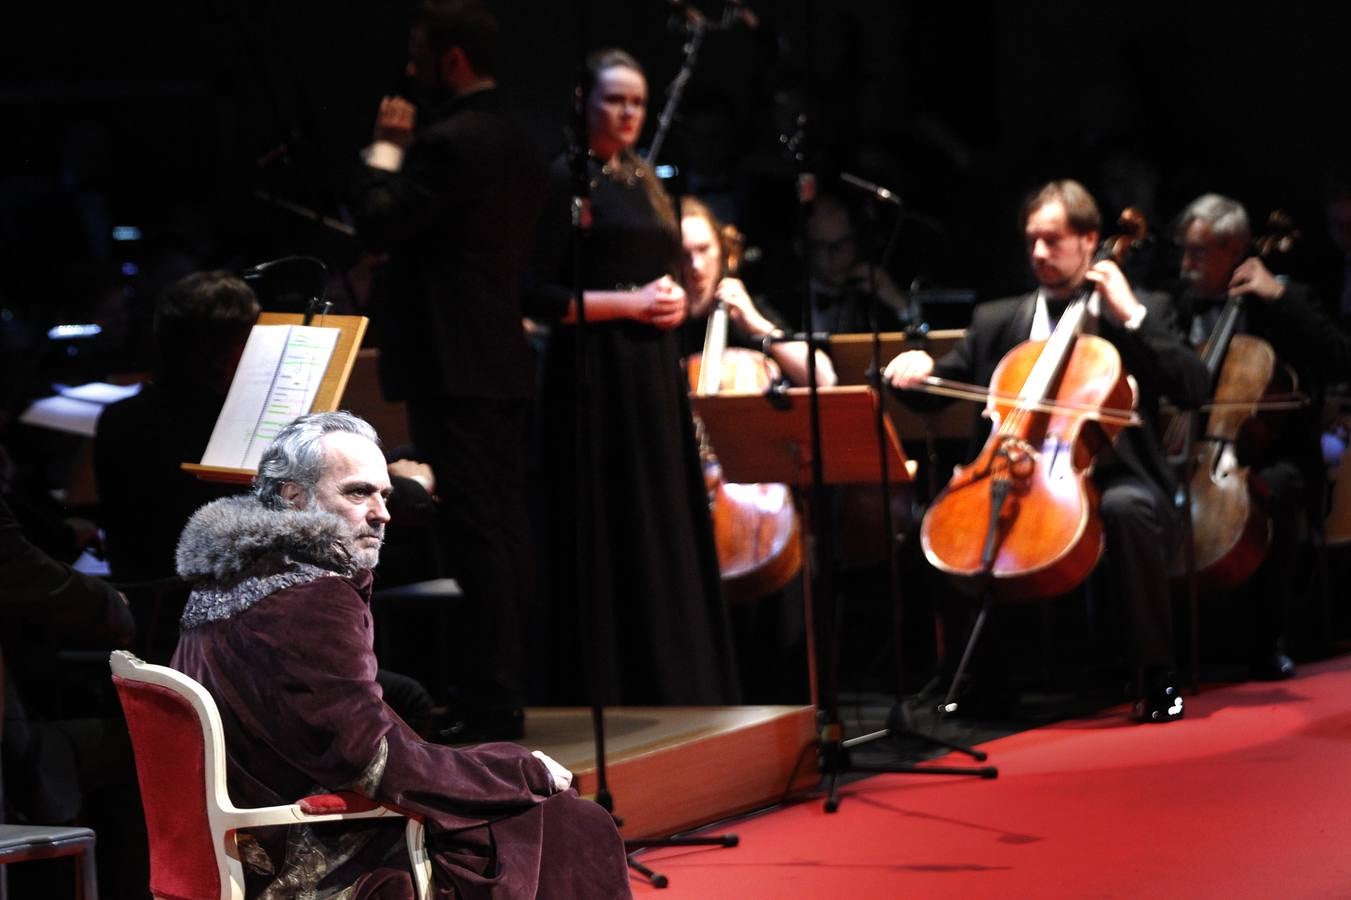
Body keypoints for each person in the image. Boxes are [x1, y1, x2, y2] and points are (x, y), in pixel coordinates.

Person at [171, 412, 630, 899]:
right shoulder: (311, 596)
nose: (382, 513)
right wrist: (519, 773)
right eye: (357, 492)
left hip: (243, 826)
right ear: (293, 497)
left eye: (384, 495)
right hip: (307, 847)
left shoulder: (230, 570)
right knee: (570, 821)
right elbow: (371, 759)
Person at [884, 179, 1208, 723]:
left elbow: (1194, 387)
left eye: (1053, 240)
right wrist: (915, 373)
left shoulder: (1139, 309)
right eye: (1031, 240)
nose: (1038, 253)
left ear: (1090, 242)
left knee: (1128, 511)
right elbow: (941, 391)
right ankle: (983, 680)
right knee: (946, 515)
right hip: (1022, 467)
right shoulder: (997, 321)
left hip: (1114, 473)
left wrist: (1129, 313)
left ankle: (1156, 675)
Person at [354, 0, 545, 739]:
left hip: (452, 361)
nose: (409, 69)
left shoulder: (445, 143)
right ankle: (503, 690)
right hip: (497, 353)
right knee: (500, 528)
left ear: (452, 58)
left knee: (475, 534)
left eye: (418, 52)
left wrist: (383, 147)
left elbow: (376, 217)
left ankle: (492, 701)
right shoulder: (521, 139)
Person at [525, 49, 740, 706]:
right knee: (609, 519)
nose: (626, 114)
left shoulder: (643, 178)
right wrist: (630, 305)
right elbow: (535, 294)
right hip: (594, 371)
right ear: (583, 103)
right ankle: (612, 687)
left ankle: (678, 682)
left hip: (650, 370)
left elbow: (653, 262)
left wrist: (671, 298)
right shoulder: (565, 178)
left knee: (661, 518)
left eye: (636, 103)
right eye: (613, 100)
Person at [1170, 193, 1351, 677]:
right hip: (1193, 453)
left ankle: (1268, 637)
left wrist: (1280, 296)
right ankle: (1169, 643)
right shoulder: (1180, 309)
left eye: (1198, 253)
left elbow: (1340, 357)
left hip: (1273, 456)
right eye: (1184, 251)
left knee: (1269, 491)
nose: (1186, 264)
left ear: (1235, 250)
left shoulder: (1285, 302)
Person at [94, 271, 259, 588]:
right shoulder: (224, 422)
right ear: (217, 352)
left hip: (150, 592)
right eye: (247, 342)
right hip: (188, 598)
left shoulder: (118, 416)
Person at [679, 195, 837, 387]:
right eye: (684, 255)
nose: (696, 265)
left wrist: (756, 324)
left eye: (704, 249)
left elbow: (825, 379)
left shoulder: (742, 309)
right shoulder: (664, 325)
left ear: (721, 250)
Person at [800, 191, 912, 334]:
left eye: (844, 242)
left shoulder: (873, 295)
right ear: (802, 248)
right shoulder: (784, 301)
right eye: (823, 246)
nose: (836, 255)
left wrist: (902, 306)